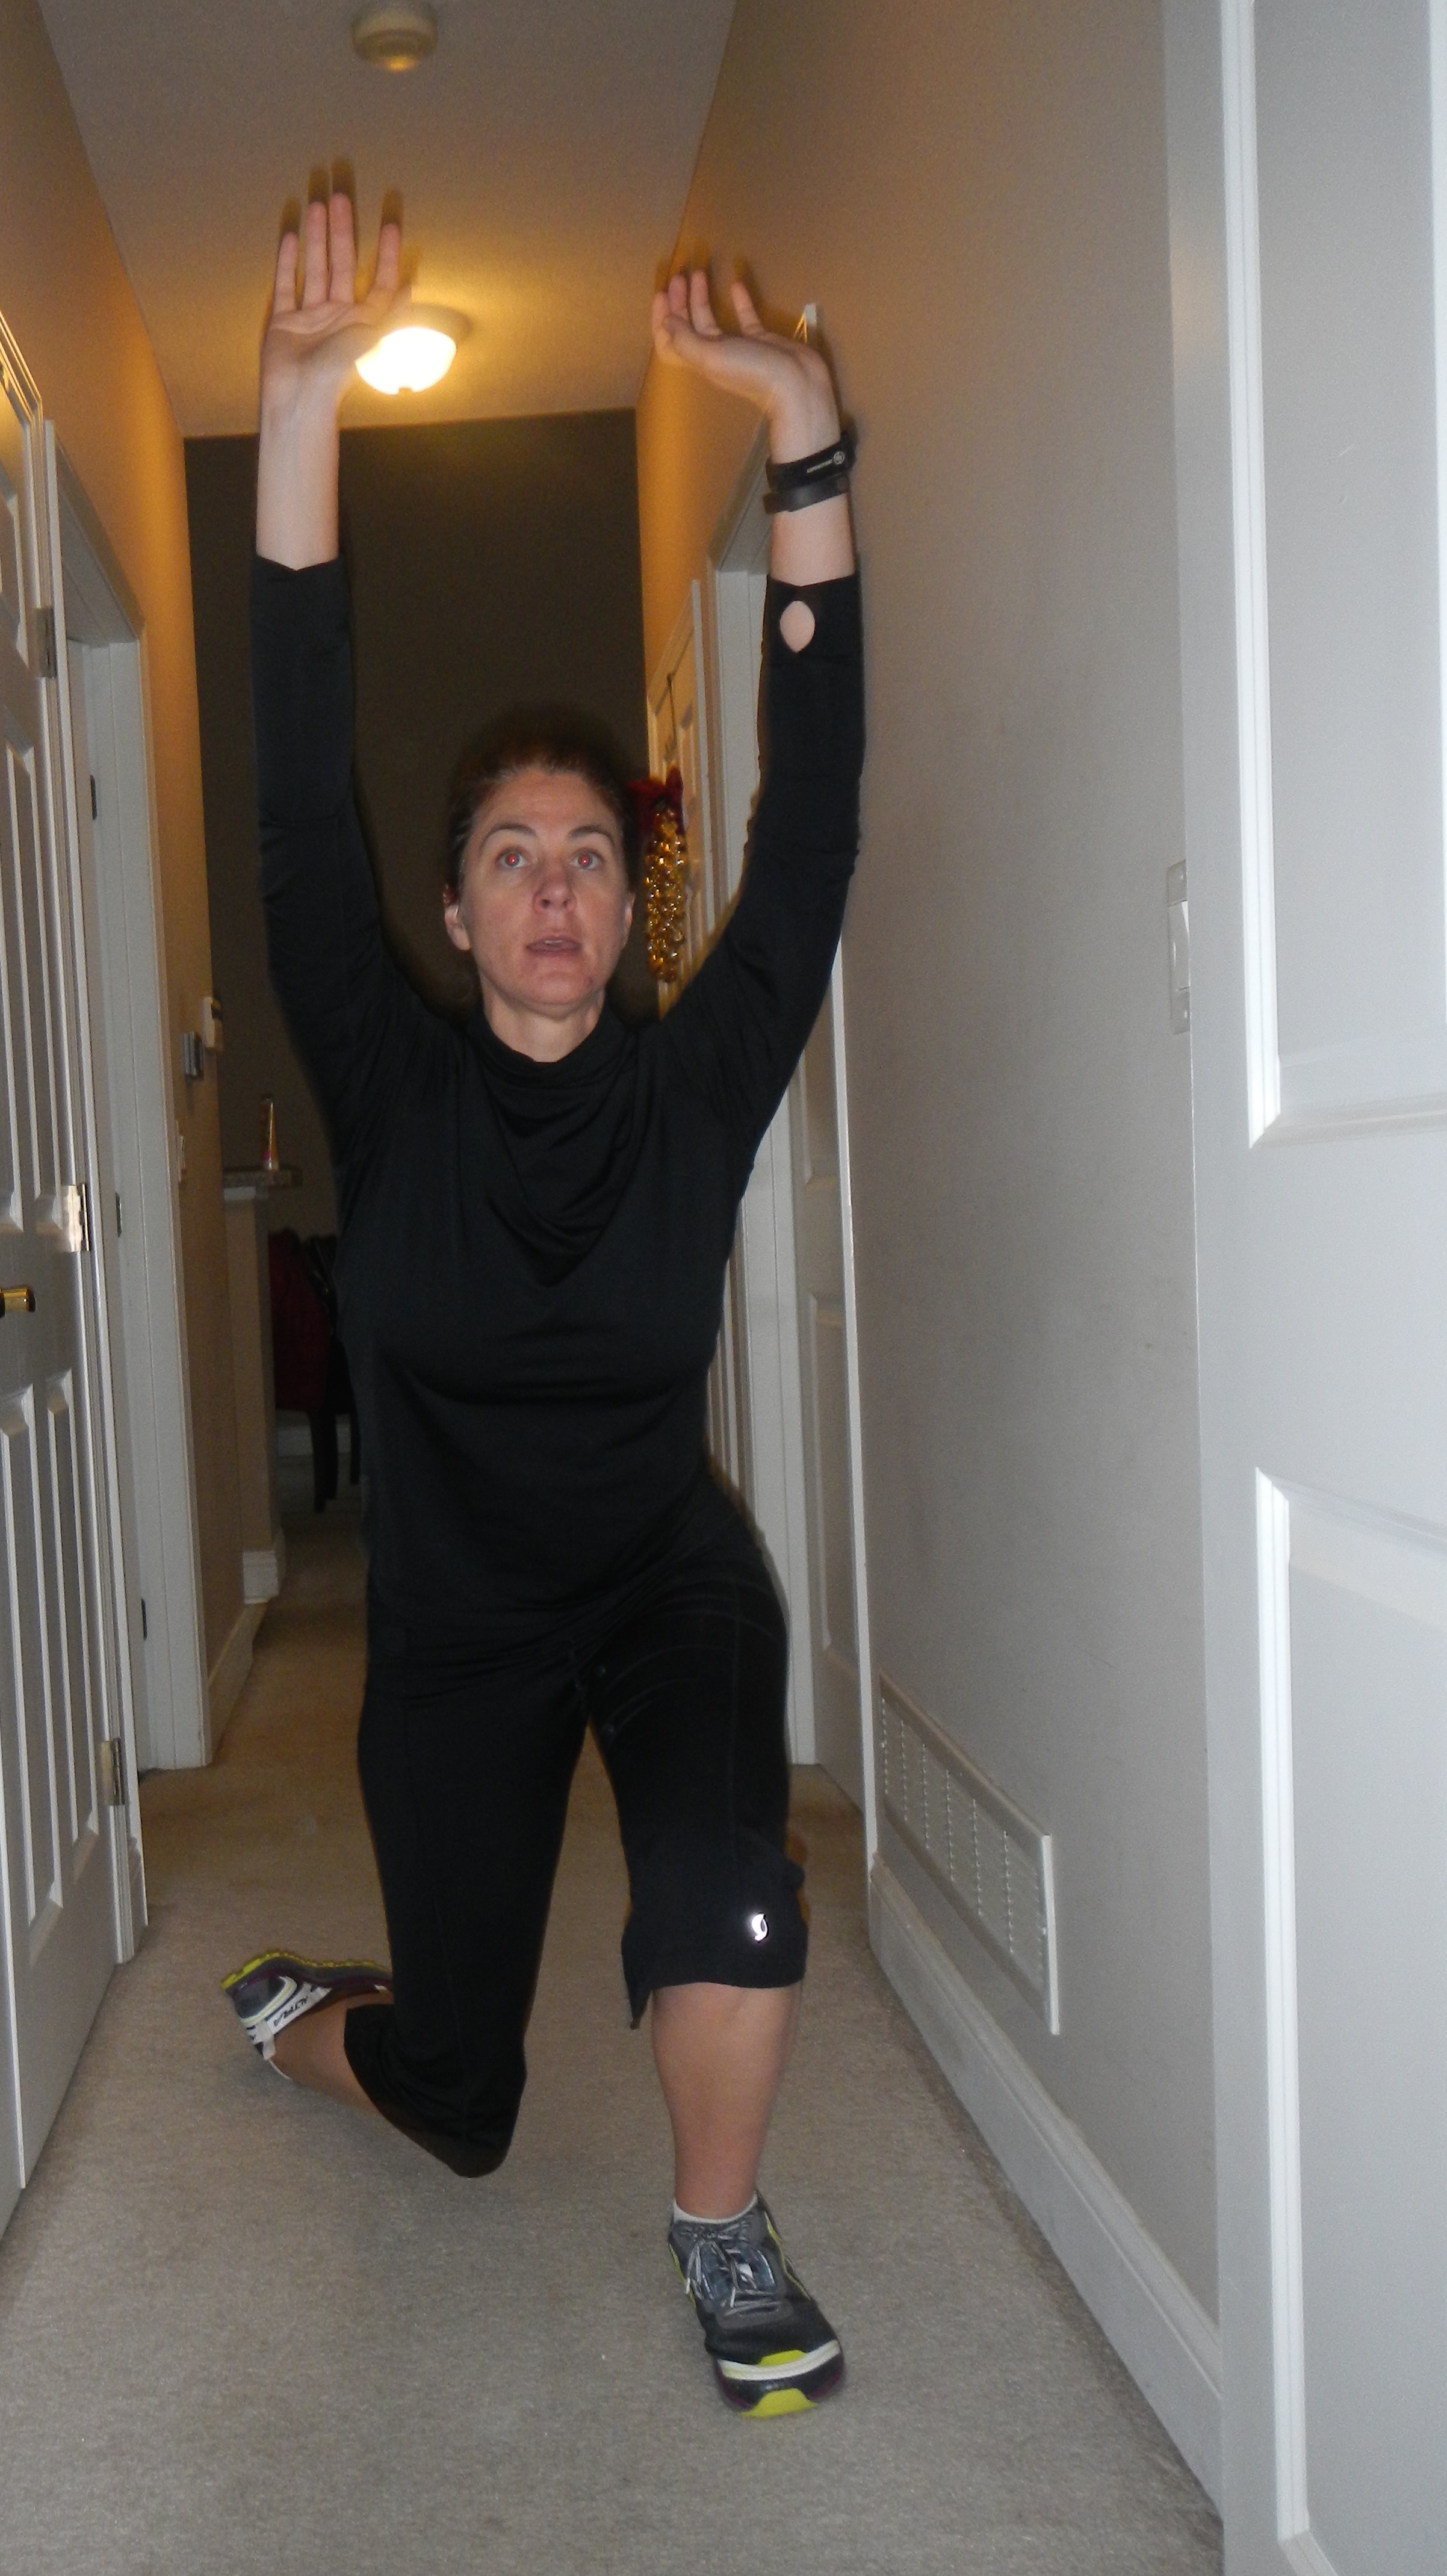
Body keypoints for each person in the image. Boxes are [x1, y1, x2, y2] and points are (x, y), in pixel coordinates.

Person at [223, 190, 864, 2421]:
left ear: (626, 894)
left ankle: (723, 2231)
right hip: (456, 1635)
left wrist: (808, 443)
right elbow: (295, 808)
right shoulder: (394, 1092)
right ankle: (316, 2021)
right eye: (512, 853)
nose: (558, 886)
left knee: (728, 1889)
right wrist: (296, 407)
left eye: (590, 851)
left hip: (662, 1585)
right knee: (462, 2099)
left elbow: (816, 833)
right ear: (456, 907)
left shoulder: (700, 1086)